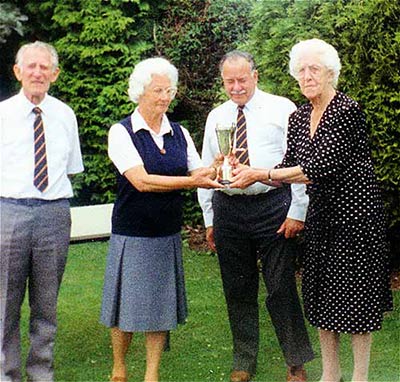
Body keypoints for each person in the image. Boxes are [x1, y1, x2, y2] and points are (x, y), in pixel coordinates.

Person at [230, 39, 393, 382]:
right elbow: (289, 167)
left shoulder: (347, 110)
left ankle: (360, 377)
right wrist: (243, 170)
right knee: (322, 296)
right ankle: (330, 375)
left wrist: (262, 174)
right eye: (301, 70)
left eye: (314, 69)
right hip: (322, 218)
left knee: (356, 298)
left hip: (356, 218)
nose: (306, 76)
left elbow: (316, 167)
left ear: (330, 72)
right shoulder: (300, 115)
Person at [100, 57, 221, 382]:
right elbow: (142, 181)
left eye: (170, 90)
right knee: (125, 306)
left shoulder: (178, 133)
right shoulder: (121, 132)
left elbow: (198, 170)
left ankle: (151, 375)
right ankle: (119, 369)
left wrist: (219, 167)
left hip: (167, 232)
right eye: (158, 90)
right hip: (133, 232)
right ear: (140, 92)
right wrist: (193, 181)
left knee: (159, 307)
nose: (166, 96)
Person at [198, 50, 314, 382]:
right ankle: (244, 361)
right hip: (229, 210)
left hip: (273, 205)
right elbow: (207, 170)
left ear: (255, 76)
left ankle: (295, 362)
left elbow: (299, 166)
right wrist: (209, 219)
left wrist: (298, 210)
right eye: (229, 81)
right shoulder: (216, 116)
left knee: (280, 287)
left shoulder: (283, 109)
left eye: (241, 79)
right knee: (238, 287)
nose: (236, 87)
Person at [0, 41, 84, 382]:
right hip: (9, 214)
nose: (37, 72)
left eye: (44, 67)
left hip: (54, 215)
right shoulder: (2, 115)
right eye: (30, 66)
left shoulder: (65, 115)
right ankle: (6, 374)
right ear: (18, 72)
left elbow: (70, 168)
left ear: (55, 74)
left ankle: (41, 373)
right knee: (5, 302)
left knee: (46, 304)